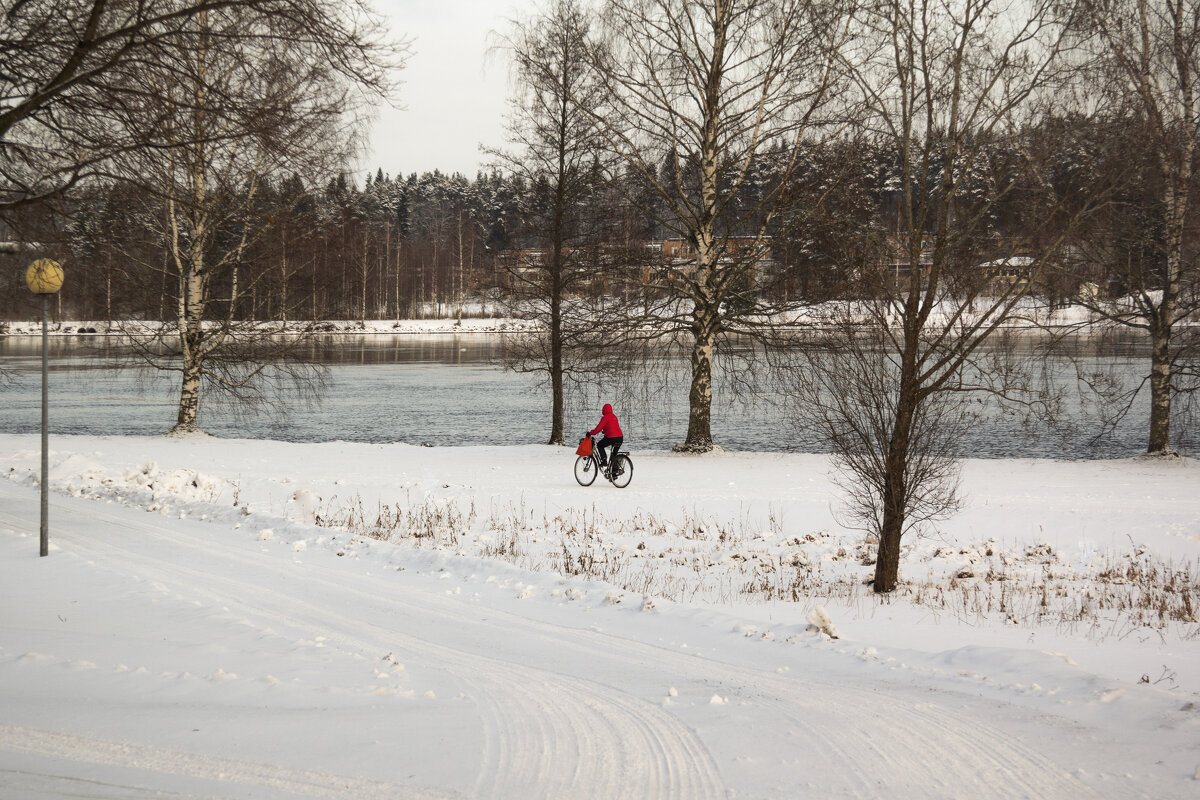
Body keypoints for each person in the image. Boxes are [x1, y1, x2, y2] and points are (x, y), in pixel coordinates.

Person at [586, 403, 623, 476]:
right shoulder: (614, 416)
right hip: (620, 437)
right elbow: (613, 427)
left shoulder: (605, 417)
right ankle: (614, 473)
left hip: (611, 438)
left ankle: (604, 460)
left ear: (604, 410)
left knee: (600, 445)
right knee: (614, 455)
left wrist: (591, 433)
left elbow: (598, 429)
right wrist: (605, 431)